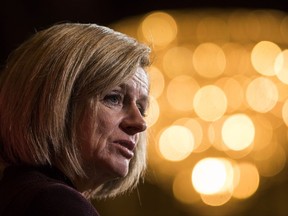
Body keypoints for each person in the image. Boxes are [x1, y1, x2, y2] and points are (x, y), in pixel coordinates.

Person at [0, 22, 151, 215]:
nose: (140, 124)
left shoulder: (18, 193)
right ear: (56, 103)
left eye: (141, 108)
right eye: (114, 98)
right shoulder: (55, 203)